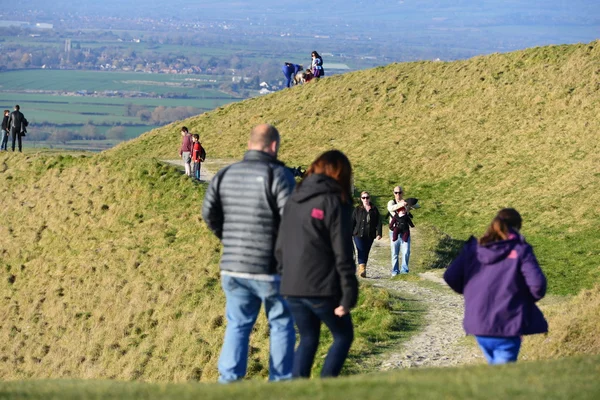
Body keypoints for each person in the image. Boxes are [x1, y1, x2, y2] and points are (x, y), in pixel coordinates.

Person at [202, 124, 296, 383]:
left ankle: (229, 384)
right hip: (270, 268)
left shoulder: (225, 174)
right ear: (274, 146)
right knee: (280, 323)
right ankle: (280, 383)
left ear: (250, 143)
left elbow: (209, 213)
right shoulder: (278, 175)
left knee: (238, 324)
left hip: (232, 265)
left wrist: (229, 239)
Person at [276, 150, 358, 379]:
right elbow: (342, 252)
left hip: (291, 286)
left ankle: (298, 390)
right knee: (343, 336)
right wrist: (348, 294)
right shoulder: (335, 201)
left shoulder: (294, 198)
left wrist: (285, 276)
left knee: (308, 337)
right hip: (321, 287)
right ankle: (325, 387)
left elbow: (280, 245)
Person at [443, 208, 548, 365]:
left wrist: (470, 292)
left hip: (479, 323)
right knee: (503, 377)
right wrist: (523, 299)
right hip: (508, 322)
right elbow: (538, 286)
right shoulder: (520, 250)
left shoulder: (474, 249)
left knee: (496, 374)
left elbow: (450, 276)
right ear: (517, 227)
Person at [352, 191, 382, 278]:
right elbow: (352, 222)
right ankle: (362, 268)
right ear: (361, 199)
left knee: (366, 251)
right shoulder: (357, 209)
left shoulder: (374, 209)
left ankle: (362, 269)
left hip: (370, 235)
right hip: (358, 234)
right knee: (361, 250)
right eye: (363, 197)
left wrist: (379, 233)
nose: (365, 199)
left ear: (370, 198)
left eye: (367, 197)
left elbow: (378, 222)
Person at [387, 186, 411, 276]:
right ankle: (395, 271)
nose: (398, 194)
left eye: (400, 192)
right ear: (393, 193)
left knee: (406, 250)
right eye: (396, 192)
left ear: (402, 193)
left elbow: (416, 206)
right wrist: (402, 204)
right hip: (394, 230)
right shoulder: (391, 202)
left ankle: (404, 271)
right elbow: (391, 209)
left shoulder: (405, 202)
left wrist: (409, 204)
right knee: (394, 252)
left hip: (405, 229)